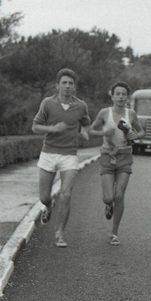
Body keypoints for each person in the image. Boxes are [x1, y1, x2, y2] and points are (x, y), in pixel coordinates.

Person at [32, 68, 91, 248]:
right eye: (64, 83)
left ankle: (60, 234)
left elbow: (86, 123)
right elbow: (35, 127)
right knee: (44, 197)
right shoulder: (48, 103)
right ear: (57, 86)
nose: (67, 86)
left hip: (69, 155)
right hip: (49, 152)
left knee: (66, 194)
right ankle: (49, 206)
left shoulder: (81, 106)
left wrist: (85, 132)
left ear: (74, 87)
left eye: (70, 83)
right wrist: (53, 129)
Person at [89, 81, 145, 246]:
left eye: (123, 94)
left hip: (124, 156)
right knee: (108, 198)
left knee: (119, 195)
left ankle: (114, 233)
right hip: (107, 155)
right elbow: (91, 131)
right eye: (117, 94)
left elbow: (141, 131)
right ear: (112, 96)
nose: (120, 97)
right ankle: (108, 205)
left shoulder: (131, 114)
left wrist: (135, 135)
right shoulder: (104, 113)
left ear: (127, 97)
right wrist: (104, 132)